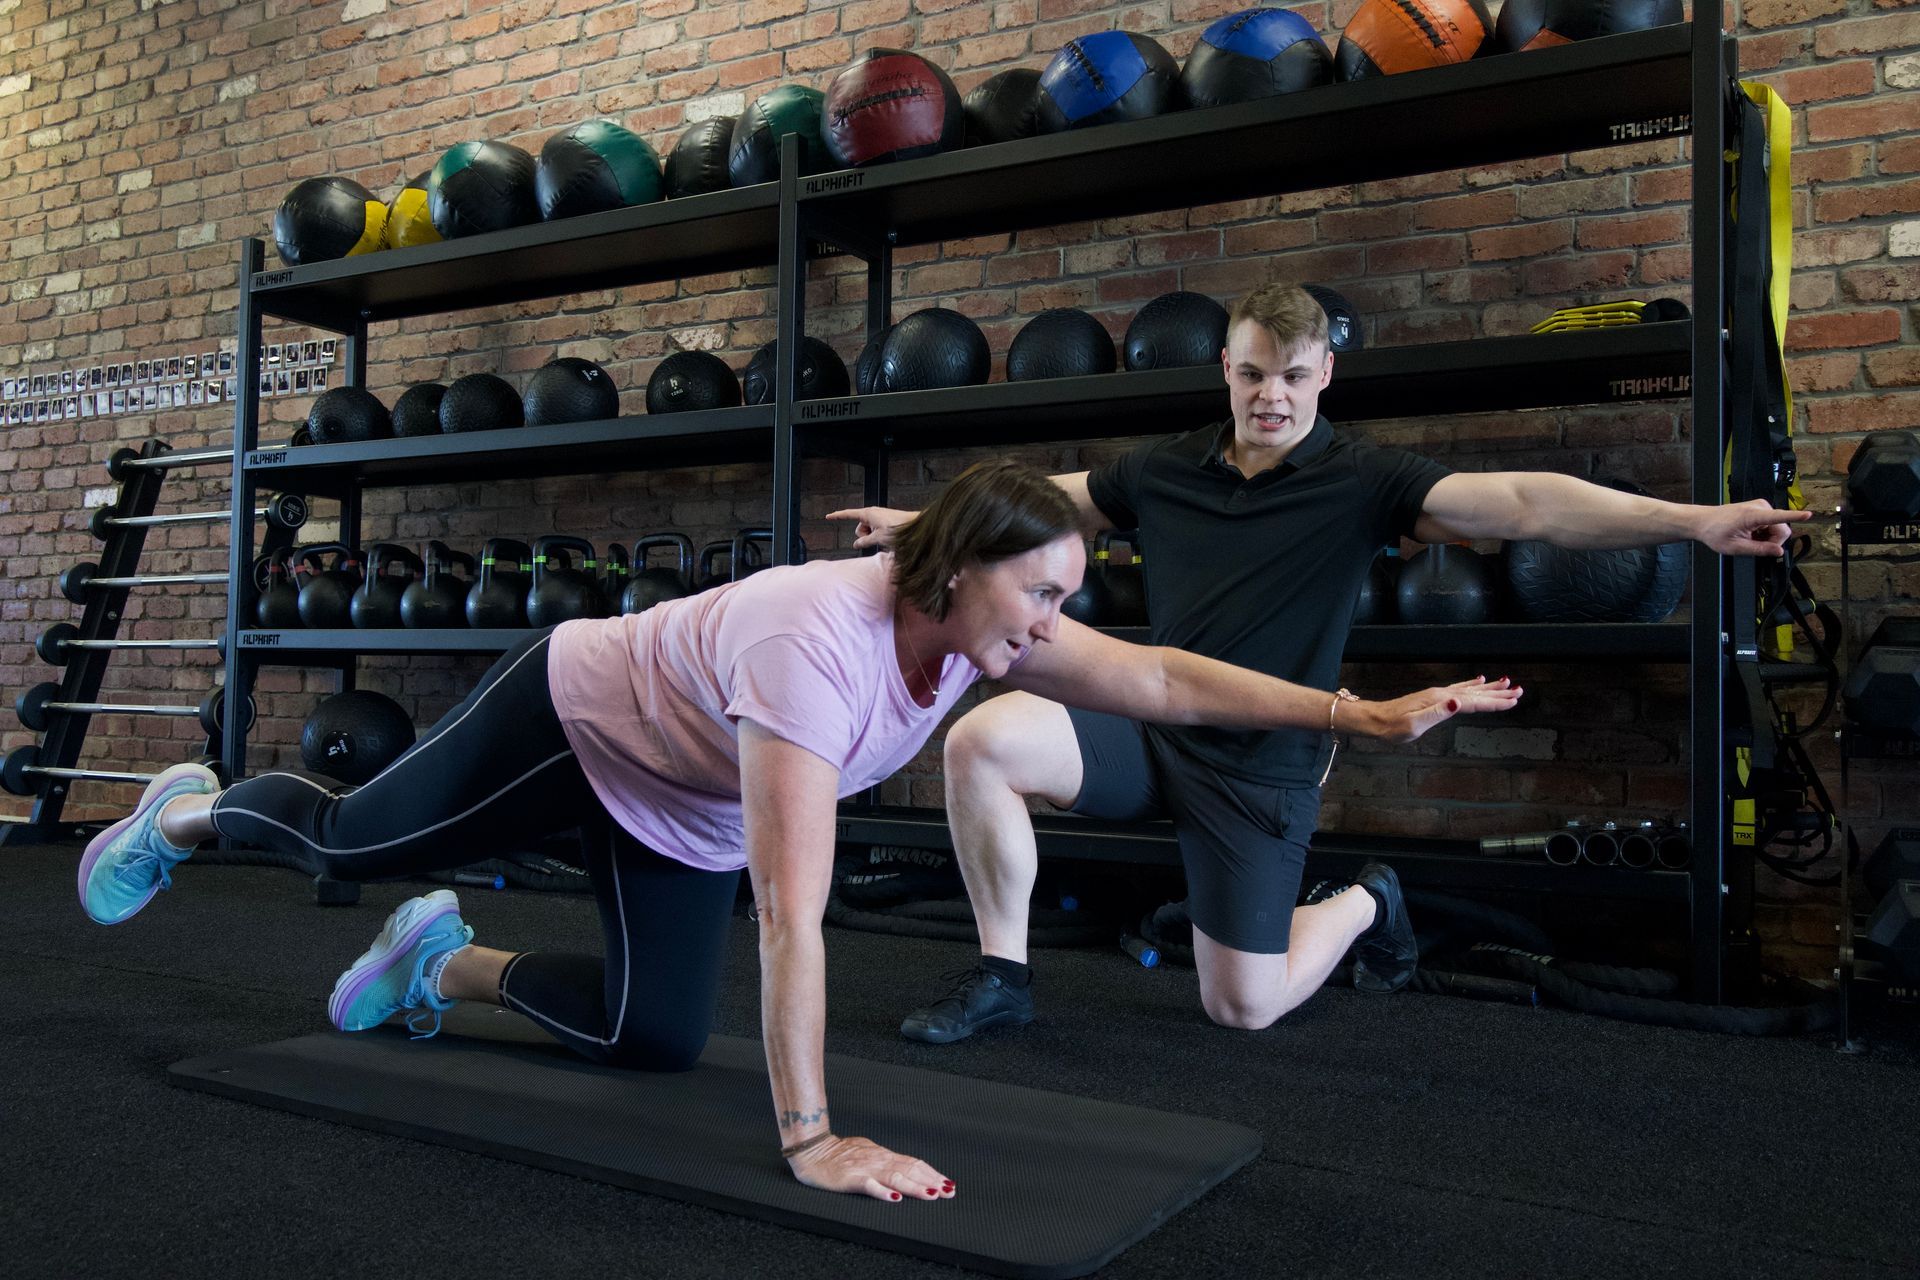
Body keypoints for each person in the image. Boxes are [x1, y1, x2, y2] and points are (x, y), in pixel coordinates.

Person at [77, 459, 1519, 1202]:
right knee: (343, 843)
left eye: (1065, 597)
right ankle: (194, 812)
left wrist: (1356, 717)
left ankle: (436, 964)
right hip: (576, 721)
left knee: (646, 1039)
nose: (1056, 624)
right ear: (954, 573)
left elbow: (1158, 678)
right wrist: (815, 1135)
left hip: (684, 793)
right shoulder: (809, 648)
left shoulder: (986, 636)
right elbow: (792, 912)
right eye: (1041, 595)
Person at [831, 283, 1811, 1045]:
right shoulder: (1166, 467)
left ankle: (1363, 902)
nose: (1272, 396)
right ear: (1224, 365)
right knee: (984, 741)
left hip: (1262, 757)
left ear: (1325, 375)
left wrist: (1698, 520)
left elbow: (1524, 503)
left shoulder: (1365, 480)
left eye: (1294, 377)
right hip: (1147, 721)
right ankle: (1002, 976)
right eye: (1254, 373)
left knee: (1243, 1007)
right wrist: (920, 523)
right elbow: (1054, 500)